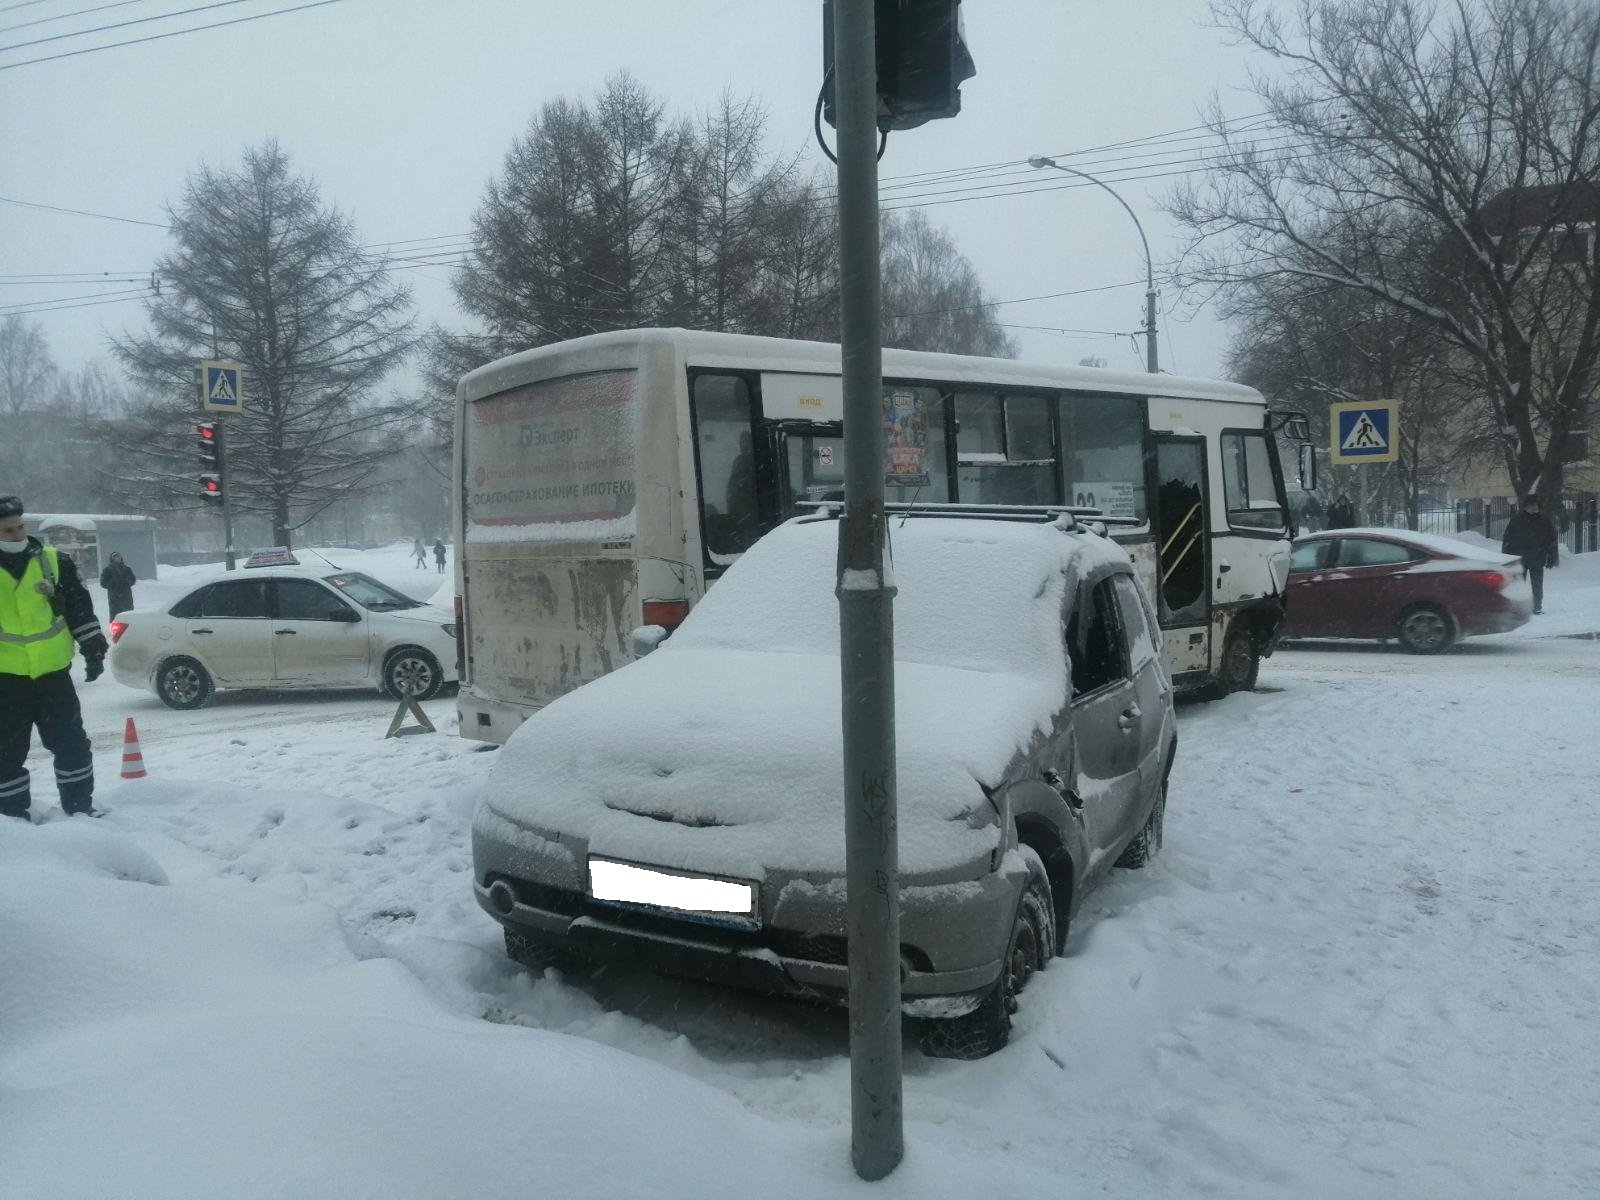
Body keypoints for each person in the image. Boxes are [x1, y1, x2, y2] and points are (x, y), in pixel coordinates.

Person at [0, 495, 108, 822]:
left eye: (20, 527)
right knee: (5, 756)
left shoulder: (54, 561)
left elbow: (79, 610)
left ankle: (80, 809)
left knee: (72, 746)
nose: (17, 534)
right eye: (8, 530)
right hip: (6, 682)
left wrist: (93, 647)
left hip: (53, 678)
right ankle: (11, 818)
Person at [1500, 494, 1559, 614]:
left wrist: (1553, 556)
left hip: (1538, 557)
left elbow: (1552, 540)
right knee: (1518, 585)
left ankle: (1537, 606)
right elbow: (1508, 539)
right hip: (1520, 558)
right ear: (1525, 507)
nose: (1533, 508)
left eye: (1535, 505)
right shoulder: (1517, 520)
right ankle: (1518, 607)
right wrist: (1506, 557)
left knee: (1537, 584)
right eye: (1531, 505)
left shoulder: (1544, 521)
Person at [99, 551, 136, 619]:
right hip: (114, 598)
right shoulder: (107, 570)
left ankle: (131, 628)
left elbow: (133, 580)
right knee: (115, 616)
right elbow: (103, 583)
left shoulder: (127, 569)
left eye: (118, 557)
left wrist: (126, 581)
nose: (117, 559)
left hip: (126, 597)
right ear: (112, 559)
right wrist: (113, 582)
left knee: (129, 615)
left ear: (121, 558)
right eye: (115, 557)